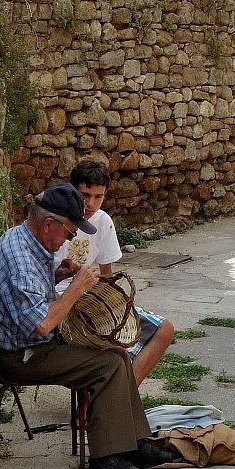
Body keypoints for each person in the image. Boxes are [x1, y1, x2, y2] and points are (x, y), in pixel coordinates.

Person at [0, 183, 176, 469]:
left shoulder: (25, 238)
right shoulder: (19, 261)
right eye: (69, 233)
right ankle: (103, 460)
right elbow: (43, 323)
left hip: (33, 344)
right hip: (21, 356)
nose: (69, 239)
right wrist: (76, 287)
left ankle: (132, 443)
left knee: (117, 355)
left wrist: (58, 274)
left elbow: (31, 298)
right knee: (106, 366)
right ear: (48, 225)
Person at [54, 160, 175, 384]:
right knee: (105, 345)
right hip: (63, 306)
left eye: (98, 197)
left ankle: (123, 395)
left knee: (164, 329)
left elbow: (107, 277)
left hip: (92, 299)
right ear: (73, 192)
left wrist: (115, 305)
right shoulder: (56, 221)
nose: (90, 204)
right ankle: (103, 398)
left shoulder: (103, 222)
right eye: (85, 195)